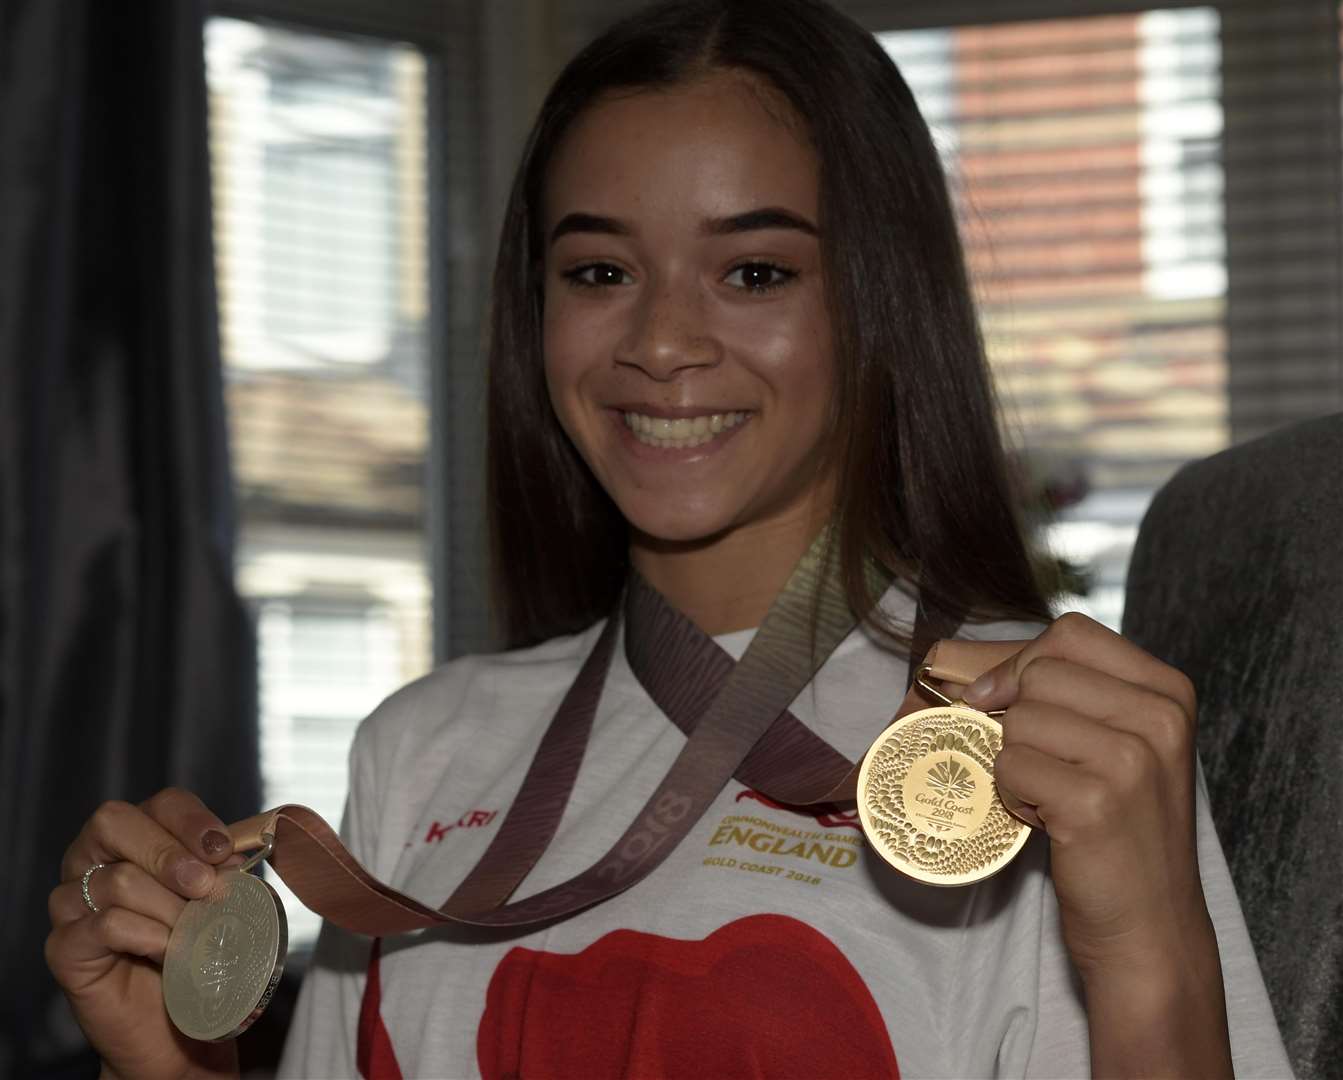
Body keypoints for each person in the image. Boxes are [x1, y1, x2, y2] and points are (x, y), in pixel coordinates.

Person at [46, 1, 1289, 1077]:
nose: (657, 342)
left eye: (753, 272)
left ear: (876, 299)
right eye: (598, 273)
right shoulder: (420, 751)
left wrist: (1147, 957)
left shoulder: (1053, 749)